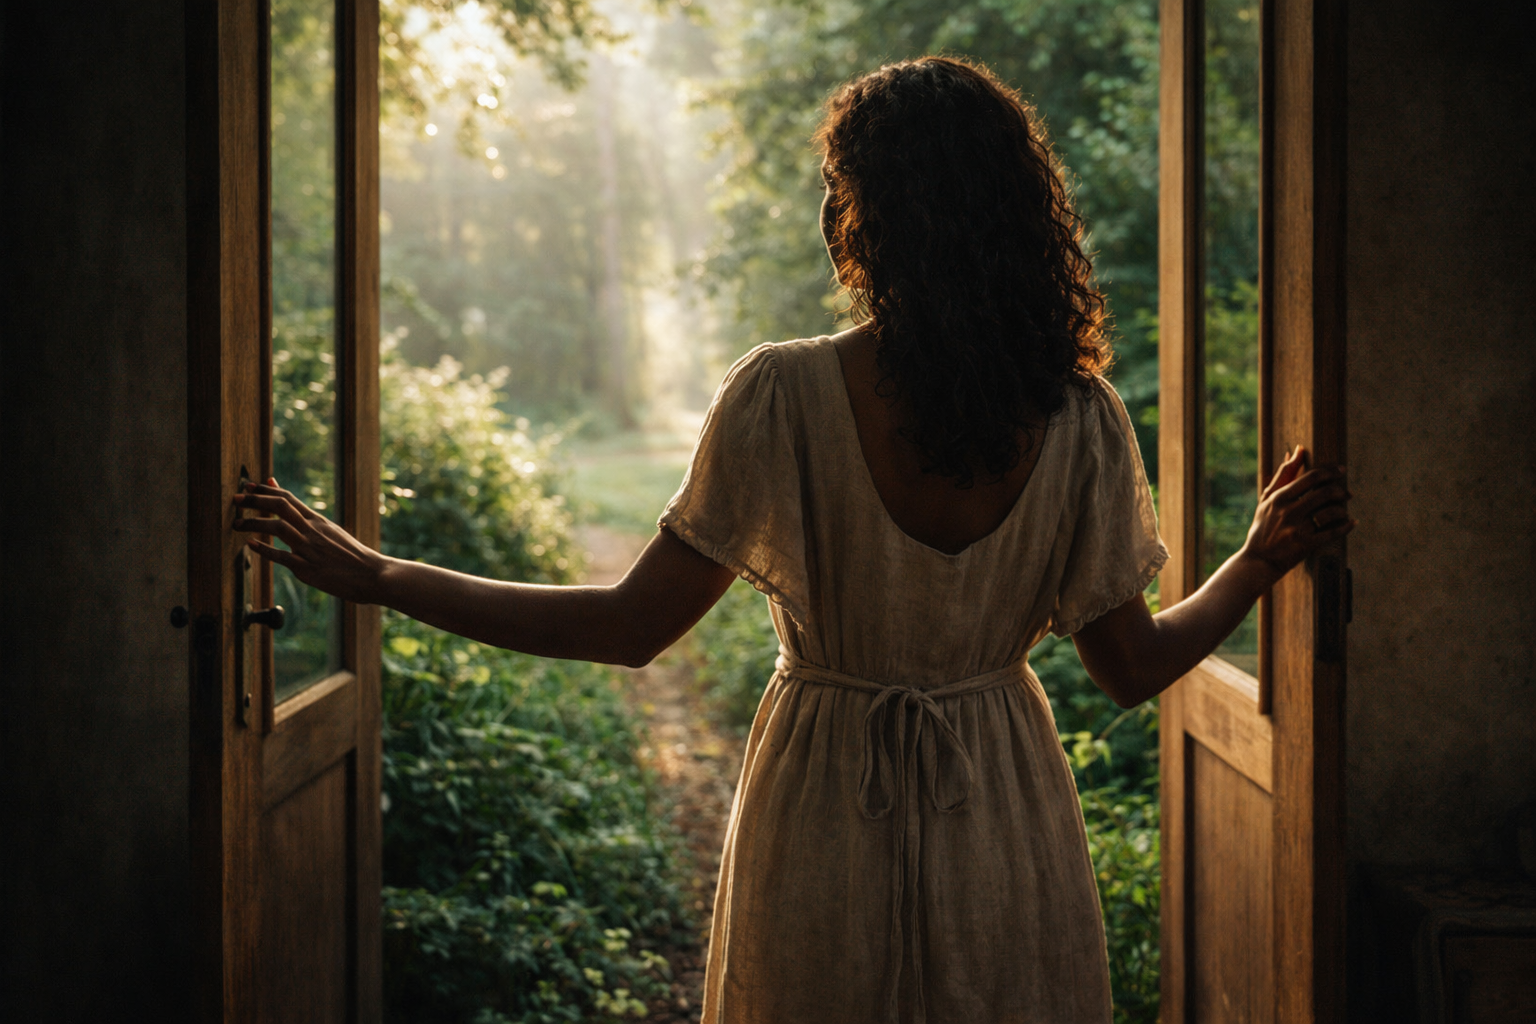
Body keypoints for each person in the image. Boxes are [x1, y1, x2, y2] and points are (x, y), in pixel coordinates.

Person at [236, 56, 1352, 1024]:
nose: (829, 218)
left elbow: (630, 629)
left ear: (885, 214)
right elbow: (1131, 667)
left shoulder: (783, 395)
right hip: (1004, 815)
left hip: (824, 805)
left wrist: (379, 574)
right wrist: (1252, 560)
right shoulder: (1080, 416)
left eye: (841, 190)